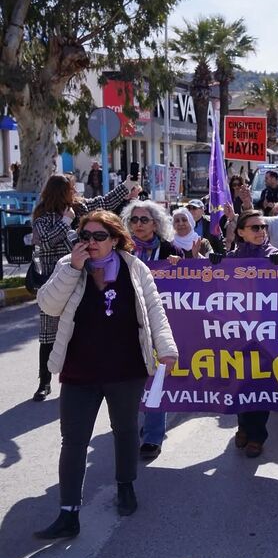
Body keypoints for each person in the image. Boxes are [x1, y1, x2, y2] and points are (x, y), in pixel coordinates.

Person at [33, 211, 177, 539]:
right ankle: (68, 513)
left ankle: (126, 486)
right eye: (85, 236)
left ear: (114, 239)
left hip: (125, 369)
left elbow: (155, 310)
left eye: (99, 237)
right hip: (79, 371)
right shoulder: (69, 267)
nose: (91, 243)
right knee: (73, 441)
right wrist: (73, 268)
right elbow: (48, 306)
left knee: (125, 431)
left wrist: (166, 347)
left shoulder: (134, 267)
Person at [30, 174, 139, 402]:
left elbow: (105, 203)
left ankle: (76, 378)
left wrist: (127, 185)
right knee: (49, 332)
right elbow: (46, 240)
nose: (75, 192)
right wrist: (65, 222)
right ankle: (44, 382)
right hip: (55, 278)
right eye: (70, 189)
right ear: (61, 191)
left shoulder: (79, 207)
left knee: (77, 326)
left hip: (82, 278)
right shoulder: (43, 216)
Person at [120, 200, 179, 460]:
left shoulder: (169, 250)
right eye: (134, 220)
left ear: (156, 223)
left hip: (157, 323)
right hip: (125, 324)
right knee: (128, 382)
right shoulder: (120, 249)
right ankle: (130, 428)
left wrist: (180, 265)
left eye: (144, 220)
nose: (138, 225)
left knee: (156, 379)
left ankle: (153, 437)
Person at [226, 210, 278, 457]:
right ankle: (243, 425)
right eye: (254, 228)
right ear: (241, 232)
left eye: (263, 227)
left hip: (266, 332)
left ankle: (257, 436)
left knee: (262, 381)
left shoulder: (274, 256)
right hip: (238, 330)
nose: (261, 231)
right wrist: (213, 262)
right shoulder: (231, 258)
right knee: (241, 380)